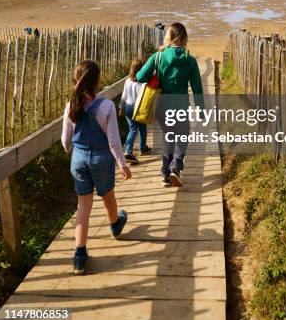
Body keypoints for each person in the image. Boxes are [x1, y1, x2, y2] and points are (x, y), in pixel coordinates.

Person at [61, 60, 131, 275]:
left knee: (83, 206)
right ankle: (115, 225)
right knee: (108, 195)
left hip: (79, 159)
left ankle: (79, 256)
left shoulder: (71, 104)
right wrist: (122, 164)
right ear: (98, 81)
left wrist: (74, 154)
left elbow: (65, 140)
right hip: (101, 159)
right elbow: (113, 141)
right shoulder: (107, 106)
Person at [136, 22, 204, 188]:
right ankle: (176, 167)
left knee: (168, 136)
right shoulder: (190, 60)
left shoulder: (158, 56)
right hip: (180, 105)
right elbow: (197, 87)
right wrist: (201, 110)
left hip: (161, 105)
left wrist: (156, 70)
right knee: (183, 136)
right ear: (184, 38)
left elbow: (140, 76)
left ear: (170, 37)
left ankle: (166, 174)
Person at [119, 57, 151, 163]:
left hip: (128, 107)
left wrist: (121, 108)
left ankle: (128, 150)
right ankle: (142, 148)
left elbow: (124, 95)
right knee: (142, 129)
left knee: (132, 129)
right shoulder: (144, 83)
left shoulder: (128, 81)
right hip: (139, 109)